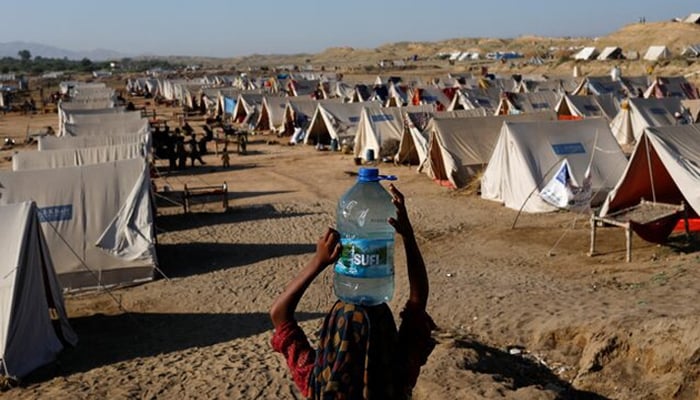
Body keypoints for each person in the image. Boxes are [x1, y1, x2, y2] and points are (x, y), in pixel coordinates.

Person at [270, 184, 435, 399]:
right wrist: (408, 236)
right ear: (385, 336)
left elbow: (279, 315)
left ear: (331, 340)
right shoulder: (396, 376)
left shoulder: (318, 383)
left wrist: (318, 262)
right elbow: (417, 302)